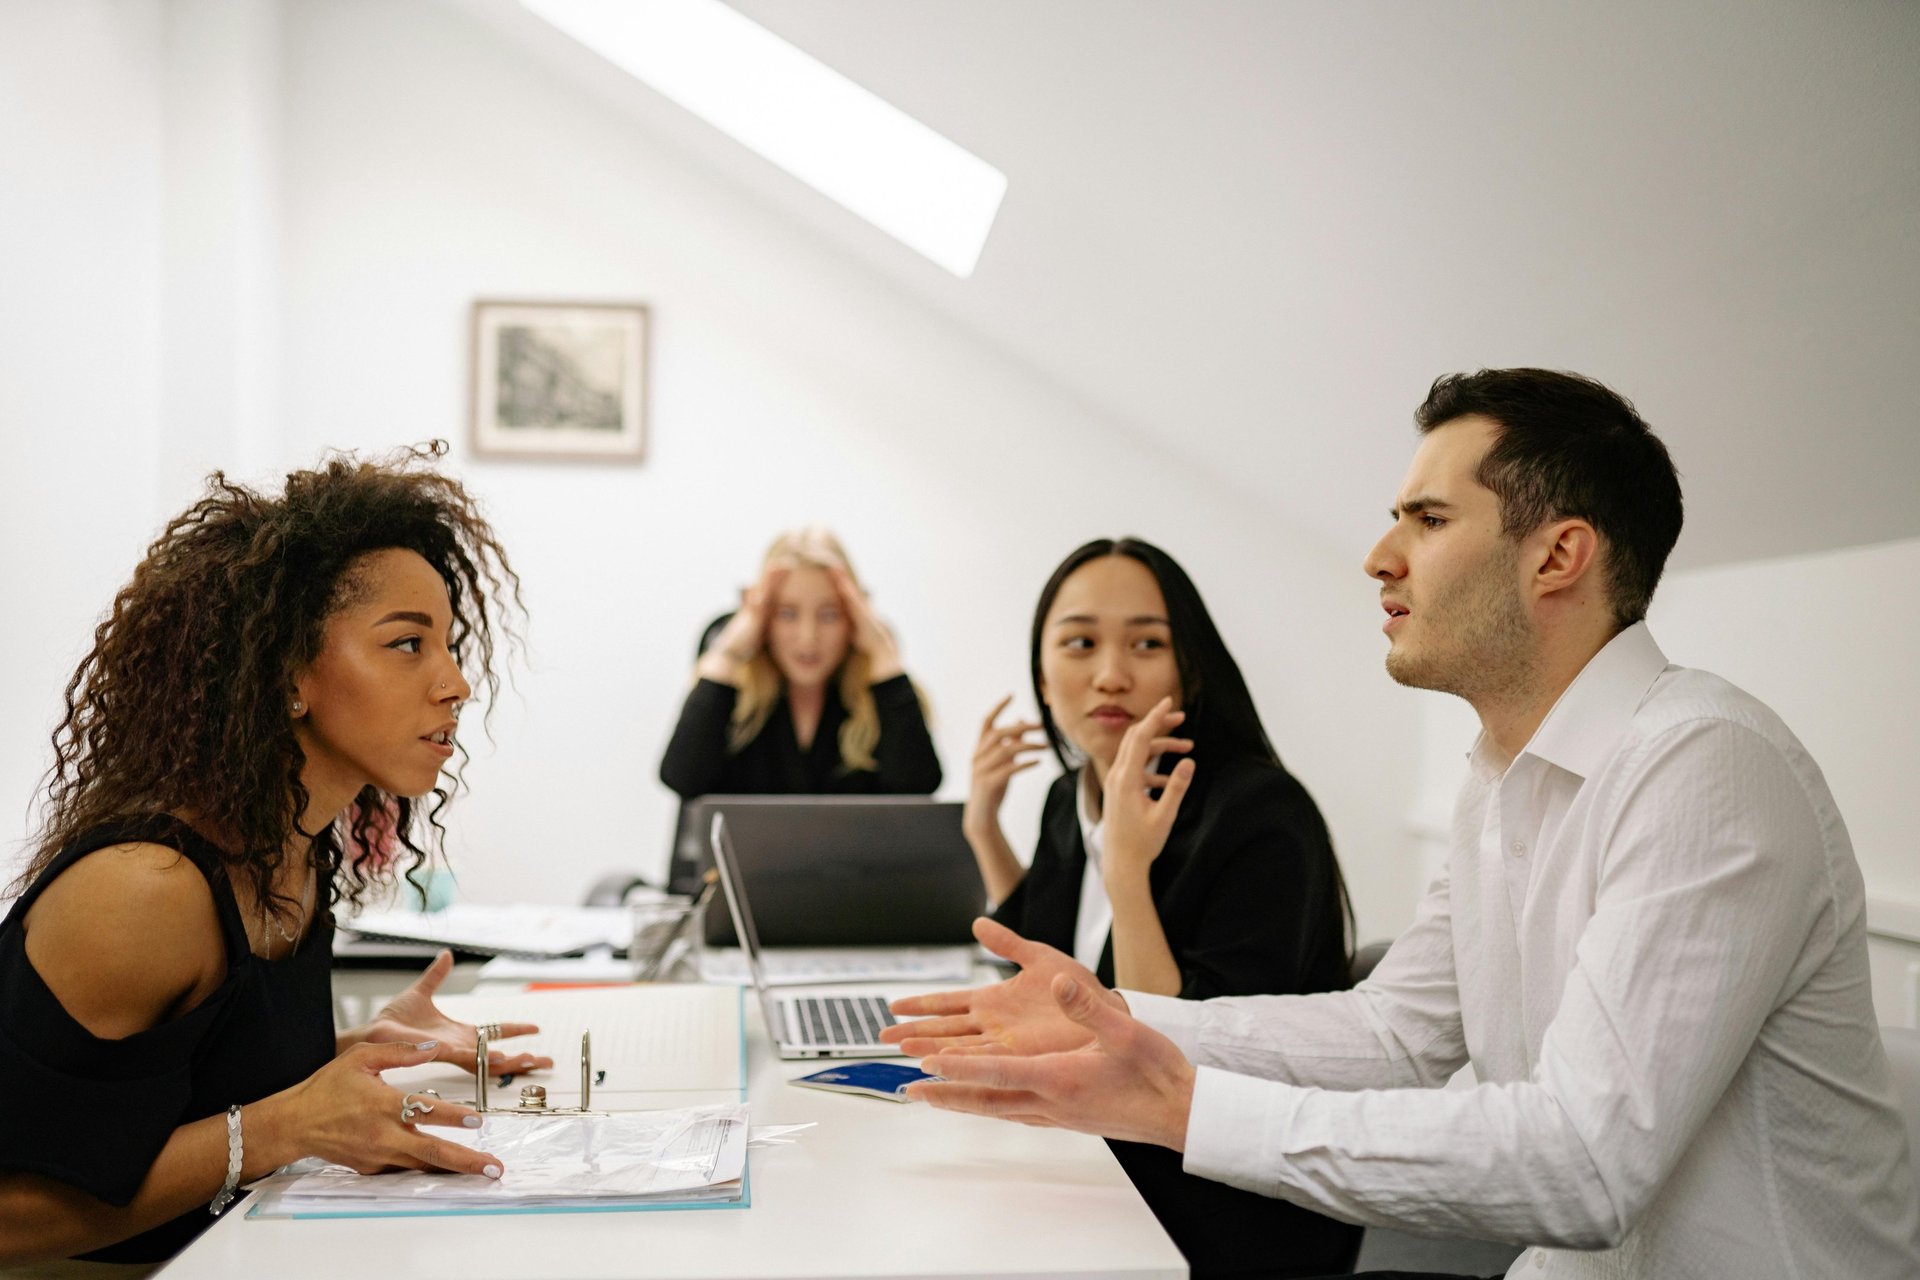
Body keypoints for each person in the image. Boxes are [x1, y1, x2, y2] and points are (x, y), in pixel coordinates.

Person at [884, 370, 1920, 1279]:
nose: (1379, 556)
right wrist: (1108, 1017)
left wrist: (1182, 1102)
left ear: (1558, 554)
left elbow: (1582, 1162)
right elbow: (1394, 1034)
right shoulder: (1500, 784)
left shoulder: (1705, 764)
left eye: (1426, 520)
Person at [0, 446, 553, 1272]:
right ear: (290, 672)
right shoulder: (145, 892)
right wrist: (284, 1126)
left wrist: (352, 1052)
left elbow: (177, 1096)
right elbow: (12, 1216)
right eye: (408, 644)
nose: (455, 684)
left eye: (447, 643)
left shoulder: (294, 847)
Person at [960, 536, 1358, 1277]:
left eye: (1147, 643)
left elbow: (1174, 1059)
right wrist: (981, 826)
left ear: (1189, 668)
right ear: (1043, 676)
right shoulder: (1069, 793)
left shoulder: (1263, 815)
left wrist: (1127, 873)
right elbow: (1041, 971)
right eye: (1079, 643)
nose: (1111, 675)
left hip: (1214, 1206)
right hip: (1099, 1162)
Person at [658, 527, 941, 887]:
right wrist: (728, 652)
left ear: (854, 619)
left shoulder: (876, 695)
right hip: (741, 910)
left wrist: (883, 654)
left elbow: (919, 789)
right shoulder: (734, 693)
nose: (808, 638)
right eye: (787, 613)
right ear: (762, 618)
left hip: (855, 909)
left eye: (829, 615)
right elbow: (681, 777)